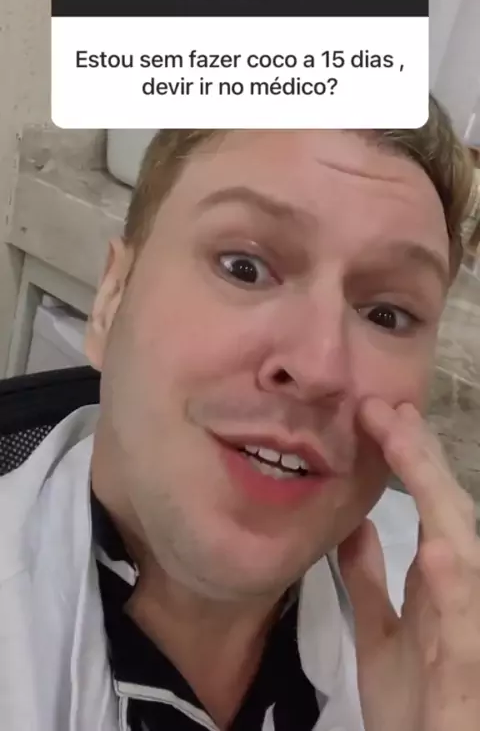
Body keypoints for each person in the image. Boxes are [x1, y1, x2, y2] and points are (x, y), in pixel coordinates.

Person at [1, 100, 479, 731]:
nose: (319, 366)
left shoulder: (449, 631)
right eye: (244, 268)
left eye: (386, 315)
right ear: (111, 301)